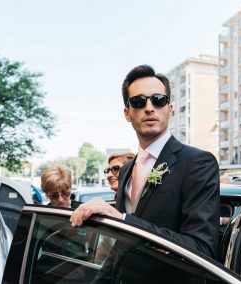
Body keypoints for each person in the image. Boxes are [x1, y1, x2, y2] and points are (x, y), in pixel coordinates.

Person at [70, 64, 220, 260]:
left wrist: (122, 220)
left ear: (170, 108)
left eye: (158, 100)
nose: (149, 108)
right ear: (127, 113)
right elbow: (120, 249)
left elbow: (201, 248)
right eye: (139, 101)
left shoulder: (197, 163)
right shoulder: (125, 170)